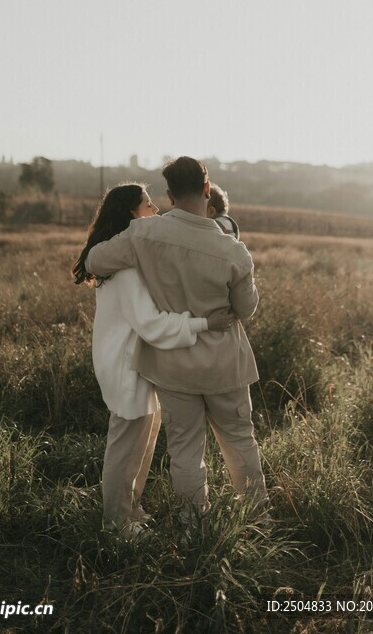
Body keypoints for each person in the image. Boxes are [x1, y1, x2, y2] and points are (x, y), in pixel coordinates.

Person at [86, 157, 267, 527]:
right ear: (206, 189)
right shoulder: (233, 251)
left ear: (168, 195)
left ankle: (193, 524)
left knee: (185, 450)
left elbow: (94, 261)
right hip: (223, 364)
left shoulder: (143, 234)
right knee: (240, 442)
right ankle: (256, 520)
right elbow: (246, 310)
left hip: (172, 365)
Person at [73, 182, 232, 537]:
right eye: (148, 205)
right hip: (126, 364)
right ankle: (115, 524)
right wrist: (205, 322)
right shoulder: (125, 268)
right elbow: (150, 323)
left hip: (139, 363)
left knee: (144, 439)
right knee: (125, 447)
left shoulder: (128, 258)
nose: (155, 210)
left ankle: (131, 510)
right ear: (131, 213)